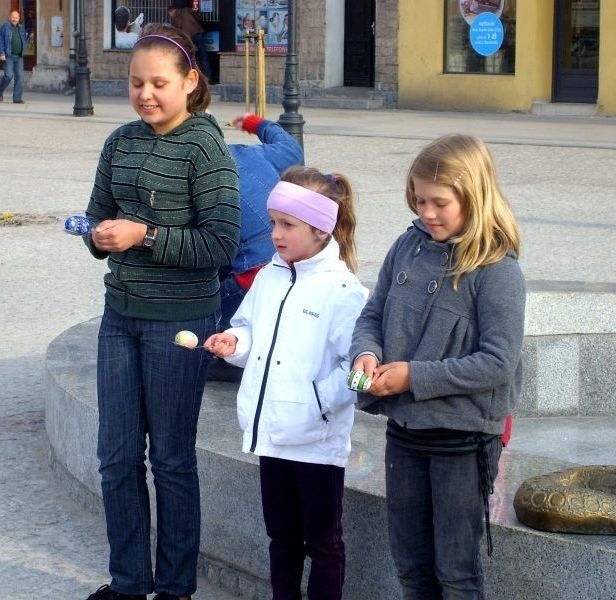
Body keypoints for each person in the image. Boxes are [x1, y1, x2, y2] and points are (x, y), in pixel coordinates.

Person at [81, 22, 241, 600]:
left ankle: (175, 588)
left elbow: (220, 245)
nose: (145, 94)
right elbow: (97, 217)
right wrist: (98, 236)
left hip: (181, 321)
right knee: (116, 457)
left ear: (189, 81)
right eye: (135, 82)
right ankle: (129, 583)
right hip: (119, 316)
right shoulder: (119, 142)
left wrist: (144, 234)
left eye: (158, 83)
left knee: (171, 460)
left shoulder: (206, 146)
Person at [349, 133, 526, 599]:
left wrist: (414, 376)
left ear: (474, 195)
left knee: (455, 572)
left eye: (439, 203)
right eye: (418, 200)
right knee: (410, 566)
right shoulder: (407, 247)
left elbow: (499, 362)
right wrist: (366, 354)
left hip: (462, 441)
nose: (426, 213)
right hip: (405, 433)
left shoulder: (498, 270)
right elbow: (372, 314)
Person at [205, 167, 368, 600]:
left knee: (324, 544)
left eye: (287, 224)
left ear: (320, 228)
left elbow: (358, 370)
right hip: (271, 433)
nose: (275, 233)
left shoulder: (344, 292)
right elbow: (249, 328)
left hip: (316, 443)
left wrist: (316, 403)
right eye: (273, 221)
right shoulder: (269, 276)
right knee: (281, 539)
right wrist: (233, 342)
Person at [207, 112, 303, 382]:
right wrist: (253, 122)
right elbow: (292, 149)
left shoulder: (199, 173)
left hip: (250, 275)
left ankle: (228, 357)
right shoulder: (252, 154)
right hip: (286, 262)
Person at [167, 2, 212, 80]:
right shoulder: (187, 10)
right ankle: (208, 76)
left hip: (188, 37)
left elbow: (176, 31)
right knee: (204, 55)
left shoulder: (175, 18)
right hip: (198, 32)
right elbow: (198, 17)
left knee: (190, 56)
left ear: (171, 11)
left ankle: (191, 76)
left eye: (170, 14)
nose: (170, 16)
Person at [0, 10, 29, 104]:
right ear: (10, 17)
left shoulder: (21, 28)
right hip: (8, 55)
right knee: (8, 75)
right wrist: (1, 53)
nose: (14, 19)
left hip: (19, 56)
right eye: (13, 17)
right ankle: (0, 90)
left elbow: (24, 39)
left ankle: (17, 98)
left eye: (16, 17)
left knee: (20, 77)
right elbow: (0, 41)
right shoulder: (5, 27)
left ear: (19, 19)